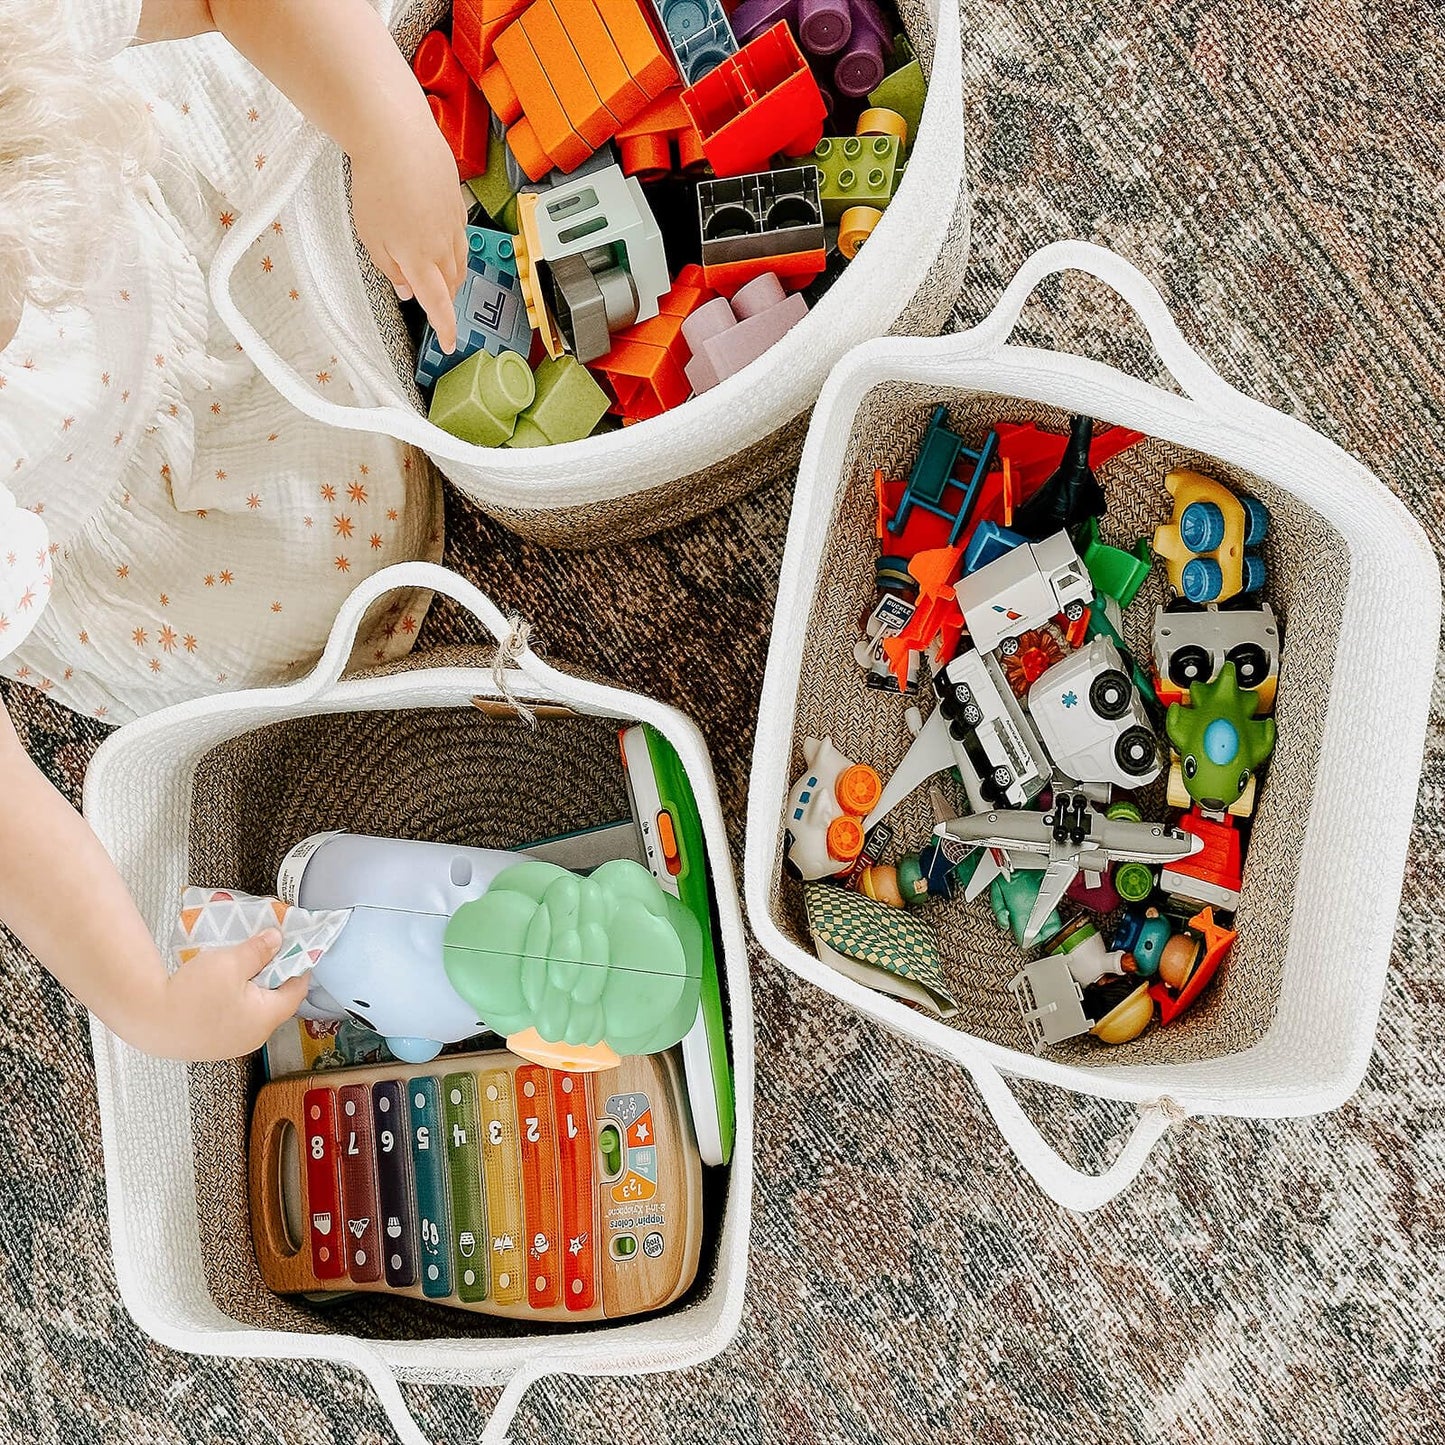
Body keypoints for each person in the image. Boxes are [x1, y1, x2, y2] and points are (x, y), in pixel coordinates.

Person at [0, 0, 469, 1059]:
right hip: (89, 478)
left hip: (144, 185)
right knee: (324, 603)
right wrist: (141, 997)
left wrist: (388, 128)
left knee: (358, 63)